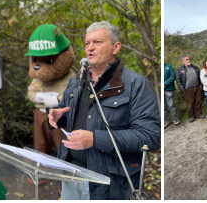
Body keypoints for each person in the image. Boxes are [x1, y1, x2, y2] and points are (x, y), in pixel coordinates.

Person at [48, 21, 160, 200]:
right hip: (71, 175)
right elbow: (67, 113)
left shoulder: (136, 85)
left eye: (97, 42)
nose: (90, 48)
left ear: (116, 47)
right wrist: (57, 118)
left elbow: (150, 136)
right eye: (87, 43)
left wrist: (95, 139)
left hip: (109, 184)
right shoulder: (76, 81)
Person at [176, 55, 202, 123]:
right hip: (188, 89)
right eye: (187, 59)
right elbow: (178, 80)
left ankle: (198, 114)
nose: (188, 60)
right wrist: (182, 89)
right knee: (190, 103)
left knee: (198, 102)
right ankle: (191, 116)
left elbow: (200, 76)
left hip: (197, 87)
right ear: (183, 61)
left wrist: (200, 85)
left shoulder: (195, 67)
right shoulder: (180, 69)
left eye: (189, 59)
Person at [163, 63, 180, 127]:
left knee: (171, 105)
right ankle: (166, 121)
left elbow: (173, 76)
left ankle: (175, 119)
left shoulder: (168, 66)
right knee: (163, 106)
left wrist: (165, 84)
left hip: (169, 89)